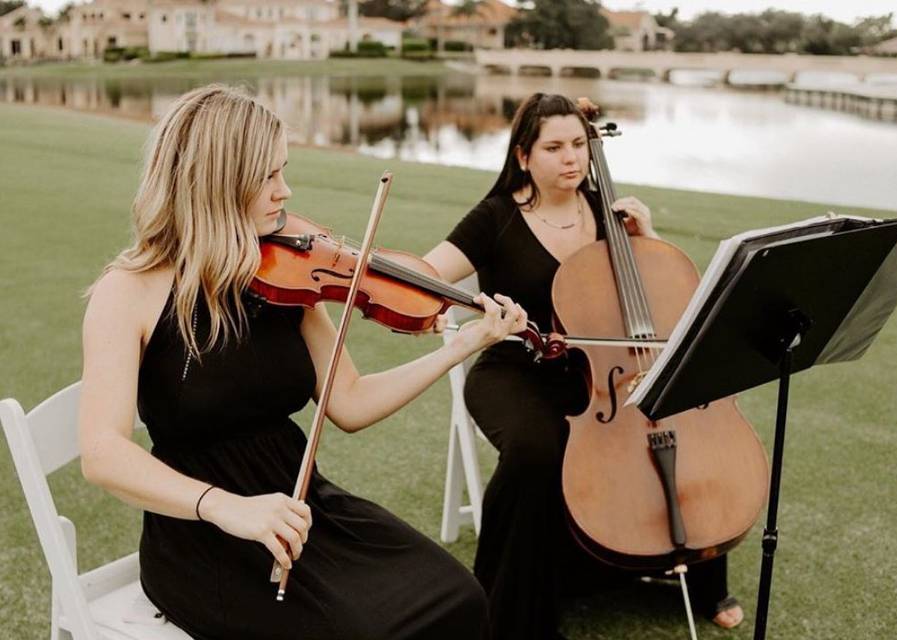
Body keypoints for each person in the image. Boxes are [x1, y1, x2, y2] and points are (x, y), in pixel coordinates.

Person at [77, 85, 529, 640]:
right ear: (217, 180)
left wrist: (465, 343)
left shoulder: (281, 276)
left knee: (457, 598)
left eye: (282, 171)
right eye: (267, 177)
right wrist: (225, 508)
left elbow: (351, 401)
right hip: (203, 535)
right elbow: (101, 453)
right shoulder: (128, 292)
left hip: (305, 507)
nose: (284, 192)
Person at [423, 93, 745, 639]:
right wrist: (427, 304)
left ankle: (693, 574)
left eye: (578, 144)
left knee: (680, 420)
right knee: (537, 450)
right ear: (524, 155)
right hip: (515, 370)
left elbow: (665, 299)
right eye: (554, 147)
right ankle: (509, 610)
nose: (571, 158)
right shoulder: (496, 217)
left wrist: (648, 240)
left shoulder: (608, 211)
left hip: (601, 375)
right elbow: (429, 274)